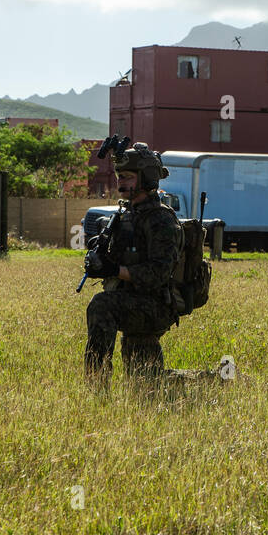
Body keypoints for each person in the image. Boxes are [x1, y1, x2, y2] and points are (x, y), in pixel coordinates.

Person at [83, 141, 184, 390]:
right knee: (146, 384)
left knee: (101, 305)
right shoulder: (127, 214)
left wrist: (114, 270)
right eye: (119, 176)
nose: (121, 182)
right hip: (134, 301)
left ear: (146, 178)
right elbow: (117, 259)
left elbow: (158, 274)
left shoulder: (160, 219)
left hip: (156, 305)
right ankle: (210, 380)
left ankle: (96, 387)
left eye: (127, 176)